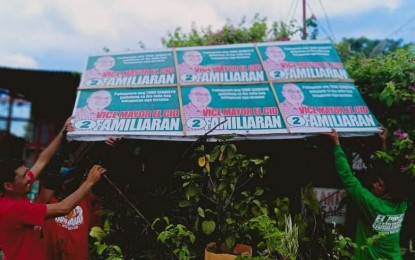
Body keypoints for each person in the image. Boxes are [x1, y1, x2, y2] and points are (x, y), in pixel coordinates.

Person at [0, 118, 107, 260]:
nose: (29, 178)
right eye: (24, 176)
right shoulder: (13, 209)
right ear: (8, 185)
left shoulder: (17, 190)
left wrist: (62, 133)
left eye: (27, 172)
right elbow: (64, 208)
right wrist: (89, 182)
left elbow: (42, 160)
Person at [326, 129, 410, 259]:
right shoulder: (402, 204)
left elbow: (348, 178)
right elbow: (391, 177)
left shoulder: (373, 204)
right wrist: (383, 144)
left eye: (380, 185)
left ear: (389, 192)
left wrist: (336, 144)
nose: (374, 185)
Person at [40, 137, 120, 260]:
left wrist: (109, 146)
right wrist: (64, 136)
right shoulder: (47, 201)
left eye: (73, 178)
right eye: (66, 179)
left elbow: (99, 173)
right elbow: (52, 176)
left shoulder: (84, 196)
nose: (70, 181)